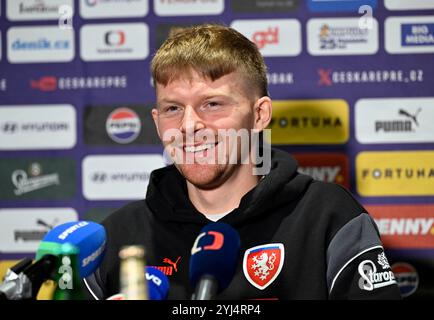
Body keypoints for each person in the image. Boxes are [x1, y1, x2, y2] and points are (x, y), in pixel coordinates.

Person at [83, 24, 401, 300]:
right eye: (172, 109)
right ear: (156, 121)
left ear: (259, 114)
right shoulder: (118, 235)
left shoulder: (328, 217)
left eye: (212, 104)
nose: (189, 126)